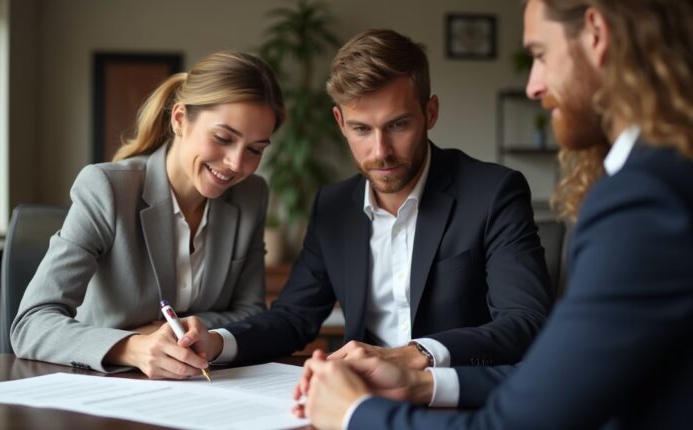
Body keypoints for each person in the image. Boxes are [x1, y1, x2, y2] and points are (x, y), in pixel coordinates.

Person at [295, 0, 693, 428]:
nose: (533, 86)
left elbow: (518, 415)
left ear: (596, 33)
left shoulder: (644, 198)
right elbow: (559, 384)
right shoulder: (660, 177)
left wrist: (355, 413)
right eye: (361, 129)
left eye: (540, 54)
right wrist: (419, 385)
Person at [181, 29, 552, 372]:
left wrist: (415, 355)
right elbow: (293, 317)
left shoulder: (493, 192)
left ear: (430, 113)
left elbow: (525, 321)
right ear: (340, 122)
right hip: (361, 400)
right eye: (361, 129)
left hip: (457, 399)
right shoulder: (333, 206)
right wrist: (215, 343)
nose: (380, 151)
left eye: (398, 125)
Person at [11, 51, 285, 378]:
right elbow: (32, 322)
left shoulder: (251, 195)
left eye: (255, 149)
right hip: (103, 386)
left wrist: (187, 331)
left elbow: (251, 313)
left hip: (200, 385)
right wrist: (134, 345)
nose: (237, 164)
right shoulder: (106, 188)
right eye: (223, 138)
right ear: (180, 119)